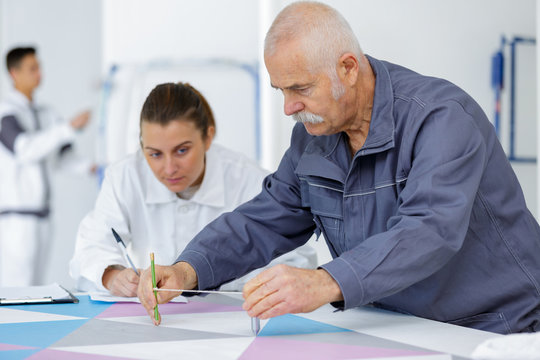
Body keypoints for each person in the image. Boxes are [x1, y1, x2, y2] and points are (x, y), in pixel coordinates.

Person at [137, 1, 540, 334]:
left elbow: (429, 229)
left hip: (496, 326)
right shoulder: (313, 136)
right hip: (397, 326)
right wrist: (188, 269)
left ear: (348, 68)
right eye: (282, 90)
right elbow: (266, 218)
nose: (288, 107)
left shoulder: (442, 117)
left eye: (301, 89)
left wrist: (325, 281)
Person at [69, 82, 316, 296]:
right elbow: (90, 246)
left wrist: (207, 279)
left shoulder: (249, 179)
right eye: (154, 154)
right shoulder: (125, 176)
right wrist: (112, 276)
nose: (169, 168)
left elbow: (297, 262)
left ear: (208, 137)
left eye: (182, 150)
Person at [0, 46, 92, 286]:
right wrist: (67, 128)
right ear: (14, 73)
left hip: (44, 217)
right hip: (17, 220)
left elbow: (62, 157)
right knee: (18, 287)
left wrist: (91, 168)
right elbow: (25, 149)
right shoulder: (6, 113)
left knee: (37, 285)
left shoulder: (47, 113)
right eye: (32, 68)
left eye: (39, 67)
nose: (39, 74)